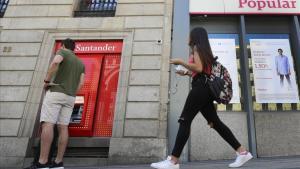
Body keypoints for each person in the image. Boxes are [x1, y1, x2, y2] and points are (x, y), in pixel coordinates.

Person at [150, 27, 252, 169]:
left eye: (189, 34)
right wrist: (186, 73)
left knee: (185, 120)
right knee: (215, 123)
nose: (187, 37)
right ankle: (242, 152)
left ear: (195, 36)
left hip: (200, 89)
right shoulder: (204, 50)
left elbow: (198, 68)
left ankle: (173, 161)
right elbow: (202, 71)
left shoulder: (197, 48)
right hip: (205, 89)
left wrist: (181, 62)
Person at [24, 38, 85, 169]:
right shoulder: (80, 62)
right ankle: (58, 162)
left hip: (56, 92)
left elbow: (55, 62)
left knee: (48, 124)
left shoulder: (62, 52)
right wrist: (71, 92)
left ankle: (42, 161)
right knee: (63, 127)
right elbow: (82, 83)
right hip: (70, 97)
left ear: (63, 46)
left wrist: (46, 81)